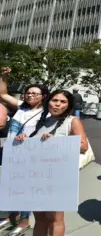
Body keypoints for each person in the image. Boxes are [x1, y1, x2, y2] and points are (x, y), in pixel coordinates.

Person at [15, 90, 89, 236]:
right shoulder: (42, 121)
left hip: (57, 178)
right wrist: (23, 139)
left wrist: (56, 143)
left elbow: (83, 146)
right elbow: (35, 146)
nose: (58, 104)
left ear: (68, 105)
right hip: (36, 177)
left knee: (55, 219)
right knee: (40, 219)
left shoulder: (72, 121)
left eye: (63, 102)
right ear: (48, 101)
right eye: (55, 100)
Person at [0, 67, 49, 234]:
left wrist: (30, 139)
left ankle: (24, 221)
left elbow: (48, 135)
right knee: (12, 185)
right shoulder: (22, 107)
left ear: (43, 97)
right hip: (11, 152)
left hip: (30, 155)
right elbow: (3, 94)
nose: (30, 95)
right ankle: (12, 216)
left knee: (26, 187)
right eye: (28, 93)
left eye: (35, 94)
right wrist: (4, 77)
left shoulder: (46, 113)